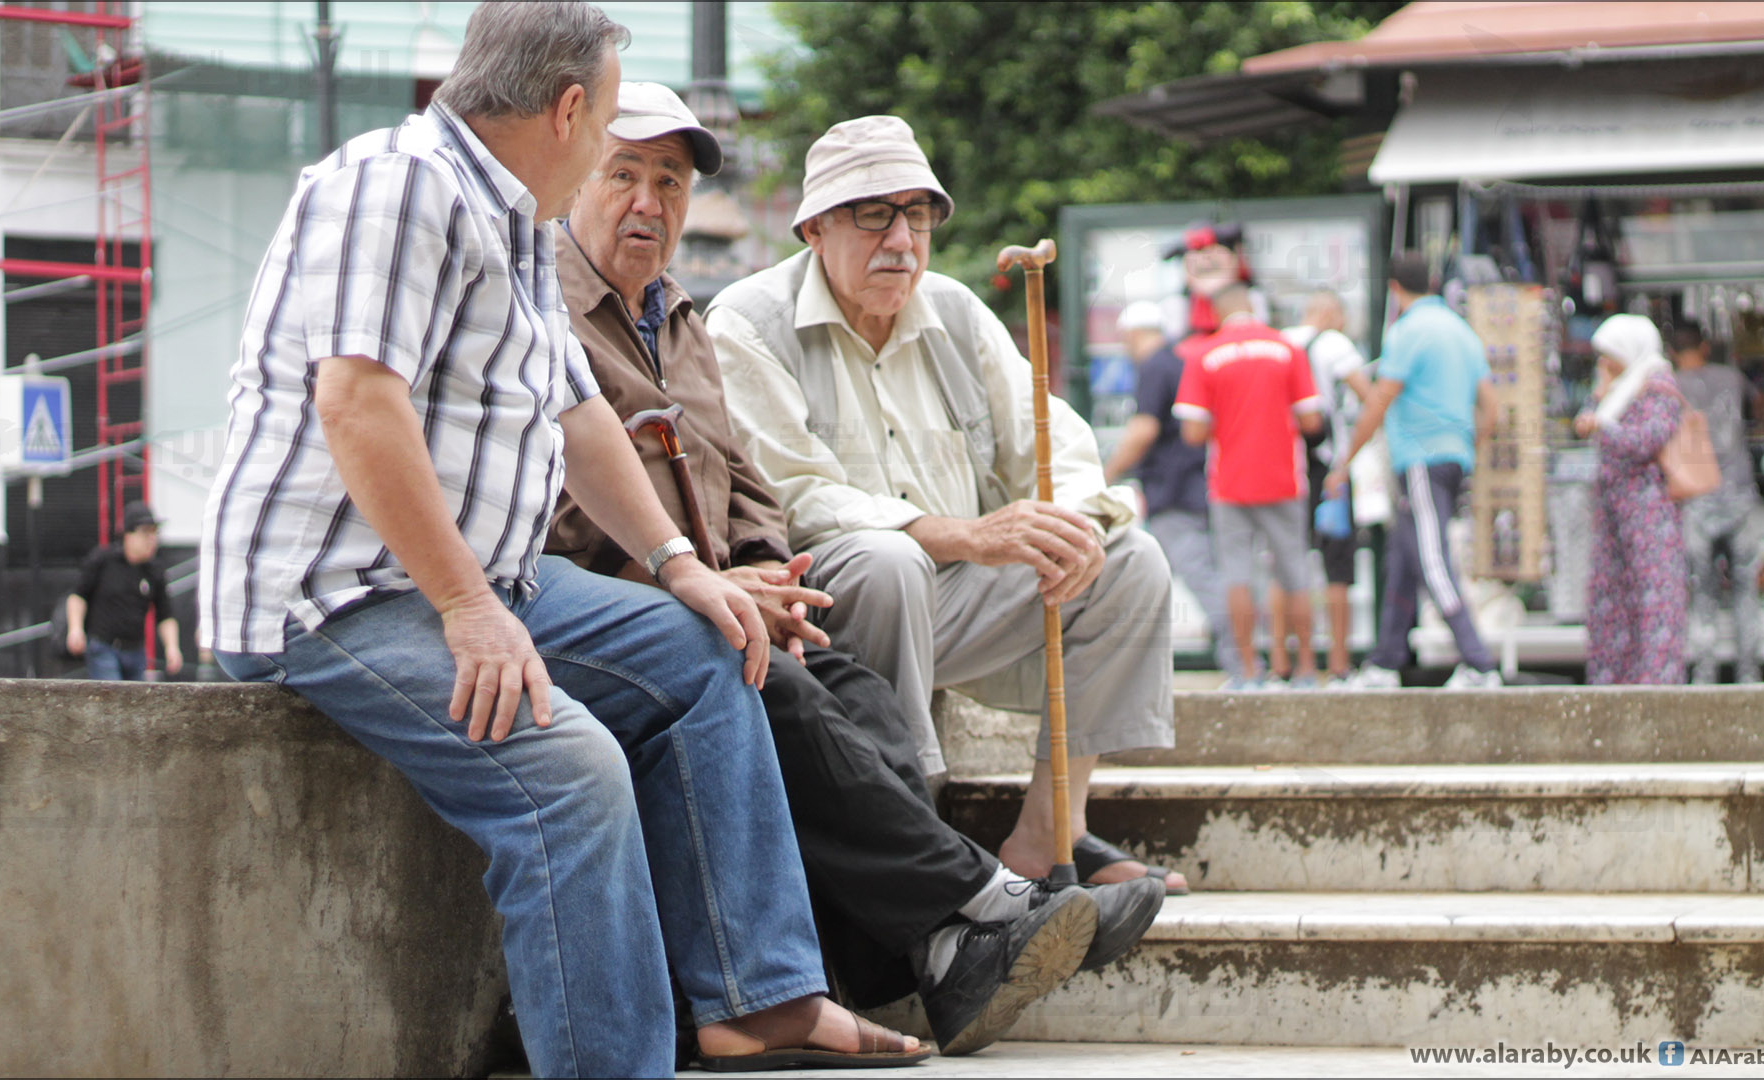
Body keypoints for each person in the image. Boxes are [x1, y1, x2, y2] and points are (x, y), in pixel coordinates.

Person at [196, 8, 925, 1076]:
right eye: (609, 129)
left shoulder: (517, 223)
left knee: (707, 646)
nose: (610, 160)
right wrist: (468, 609)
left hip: (476, 583)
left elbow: (578, 418)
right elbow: (358, 406)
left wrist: (685, 568)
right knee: (572, 771)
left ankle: (756, 999)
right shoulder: (399, 187)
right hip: (332, 597)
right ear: (569, 108)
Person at [546, 81, 1163, 1058]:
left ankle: (1014, 874)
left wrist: (756, 573)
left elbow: (743, 488)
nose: (899, 243)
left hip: (745, 590)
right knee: (825, 624)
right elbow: (570, 501)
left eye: (669, 181)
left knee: (854, 686)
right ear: (813, 229)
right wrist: (704, 574)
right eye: (625, 175)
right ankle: (973, 910)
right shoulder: (574, 311)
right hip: (633, 598)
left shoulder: (673, 316)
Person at [708, 115, 1186, 895]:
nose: (901, 240)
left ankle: (1049, 833)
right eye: (874, 214)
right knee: (889, 557)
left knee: (1132, 558)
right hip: (831, 600)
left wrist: (1073, 523)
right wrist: (962, 534)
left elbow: (1054, 444)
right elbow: (794, 492)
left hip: (955, 594)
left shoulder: (957, 314)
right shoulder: (748, 325)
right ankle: (917, 845)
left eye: (918, 214)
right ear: (814, 228)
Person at [1325, 253, 1502, 689]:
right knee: (1404, 559)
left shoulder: (1407, 331)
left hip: (1420, 456)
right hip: (1453, 456)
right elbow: (1492, 410)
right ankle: (1385, 663)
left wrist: (1343, 463)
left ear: (1394, 289)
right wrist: (1464, 444)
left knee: (1431, 558)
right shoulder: (1462, 332)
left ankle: (1479, 663)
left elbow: (1379, 402)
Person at [1171, 286, 1324, 690]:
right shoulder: (1286, 348)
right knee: (1295, 572)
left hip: (1230, 482)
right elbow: (1311, 420)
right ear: (1254, 308)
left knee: (1236, 576)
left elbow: (1193, 430)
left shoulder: (1205, 355)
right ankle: (1306, 668)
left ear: (1217, 313)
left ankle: (1248, 671)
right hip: (1284, 478)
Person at [1103, 300, 1243, 675]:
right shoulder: (1179, 362)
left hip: (1174, 493)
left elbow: (1143, 429)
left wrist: (1106, 473)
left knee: (1198, 577)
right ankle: (1238, 662)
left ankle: (1243, 666)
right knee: (1194, 576)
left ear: (1132, 335)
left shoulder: (1153, 366)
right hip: (1195, 486)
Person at [1573, 314, 1688, 684]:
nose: (1603, 365)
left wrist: (1603, 424)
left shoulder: (1657, 384)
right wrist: (1601, 399)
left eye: (1610, 356)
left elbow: (1645, 440)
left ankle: (1656, 685)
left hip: (1647, 513)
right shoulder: (1620, 387)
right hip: (1615, 510)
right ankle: (1613, 682)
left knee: (1655, 599)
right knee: (1612, 599)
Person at [1281, 291, 1372, 685]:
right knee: (1337, 566)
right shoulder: (1334, 344)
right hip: (1327, 468)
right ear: (1329, 313)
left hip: (1285, 469)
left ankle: (1288, 663)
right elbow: (1369, 397)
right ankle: (1338, 662)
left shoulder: (1280, 342)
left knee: (1286, 565)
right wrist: (1349, 458)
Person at [1669, 320, 1762, 684]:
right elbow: (1760, 409)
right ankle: (1749, 674)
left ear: (1673, 352)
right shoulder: (1732, 377)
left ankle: (1704, 675)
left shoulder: (1671, 386)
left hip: (1697, 498)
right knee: (1745, 588)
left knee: (1702, 590)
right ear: (1705, 346)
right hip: (1739, 491)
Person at [66, 499, 183, 680]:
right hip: (104, 647)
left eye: (154, 533)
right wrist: (75, 629)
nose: (152, 540)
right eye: (145, 533)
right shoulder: (103, 560)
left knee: (135, 704)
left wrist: (172, 648)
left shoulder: (154, 570)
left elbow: (165, 614)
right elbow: (78, 596)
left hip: (136, 651)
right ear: (128, 535)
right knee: (112, 700)